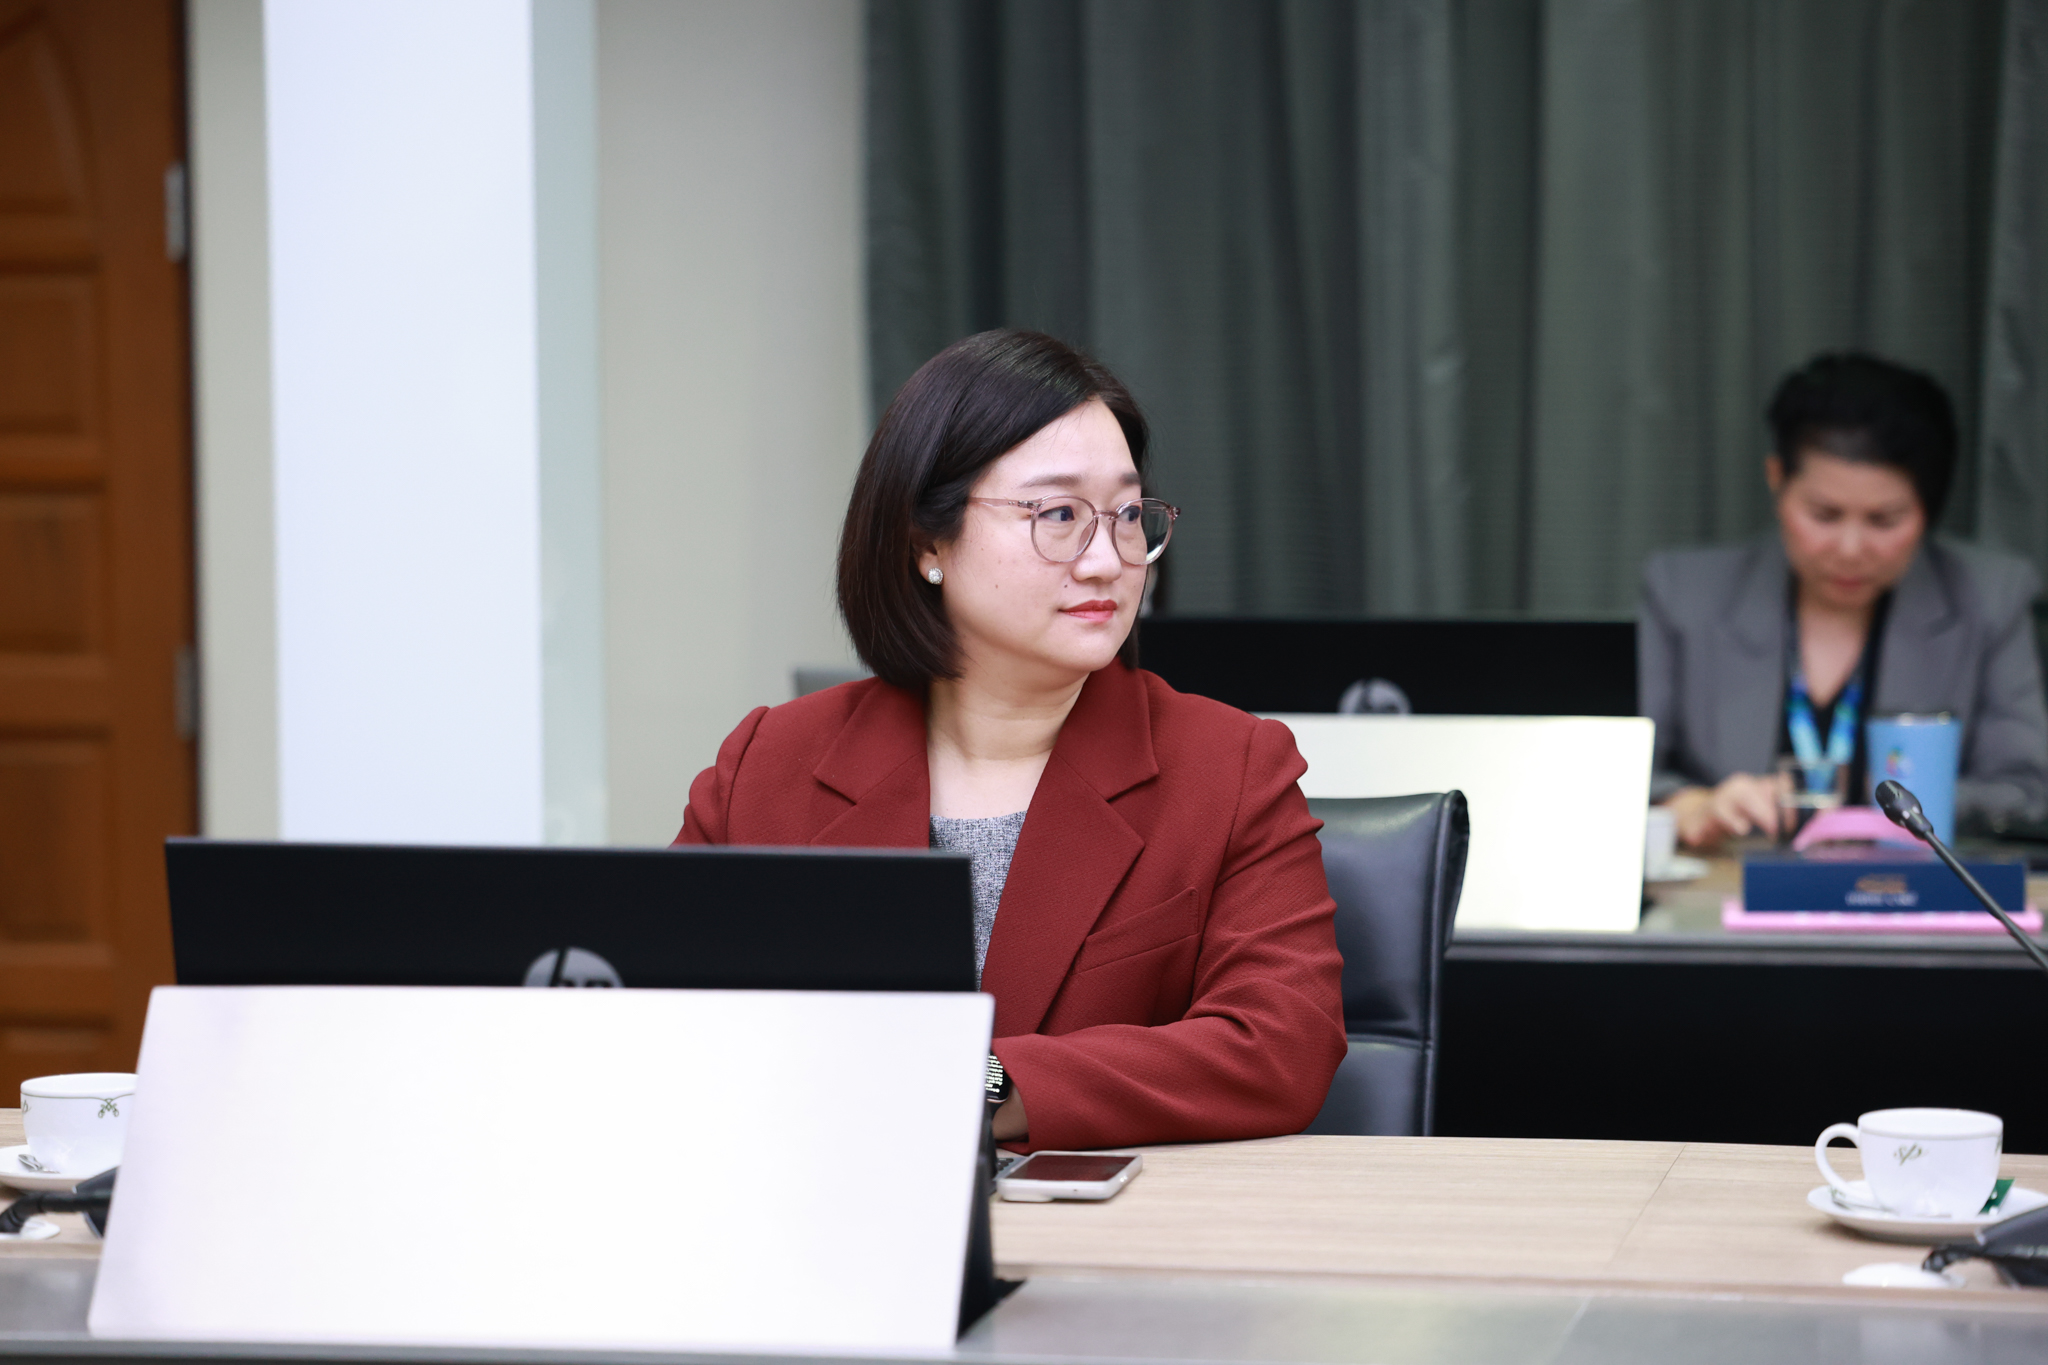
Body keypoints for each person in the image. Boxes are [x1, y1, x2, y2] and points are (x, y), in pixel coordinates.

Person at [675, 329, 1347, 1151]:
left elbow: (1280, 1043)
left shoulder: (1230, 767)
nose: (1107, 560)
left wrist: (984, 1085)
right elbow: (658, 1019)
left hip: (1112, 1221)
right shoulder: (768, 764)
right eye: (1059, 515)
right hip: (815, 1203)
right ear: (927, 542)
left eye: (1127, 515)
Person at [1639, 352, 2048, 849]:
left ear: (1928, 509)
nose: (1851, 549)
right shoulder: (1684, 594)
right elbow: (1624, 774)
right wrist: (1690, 804)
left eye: (1884, 520)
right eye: (1824, 515)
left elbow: (2028, 792)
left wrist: (1888, 813)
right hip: (1732, 886)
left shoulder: (1990, 597)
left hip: (1912, 887)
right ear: (1776, 480)